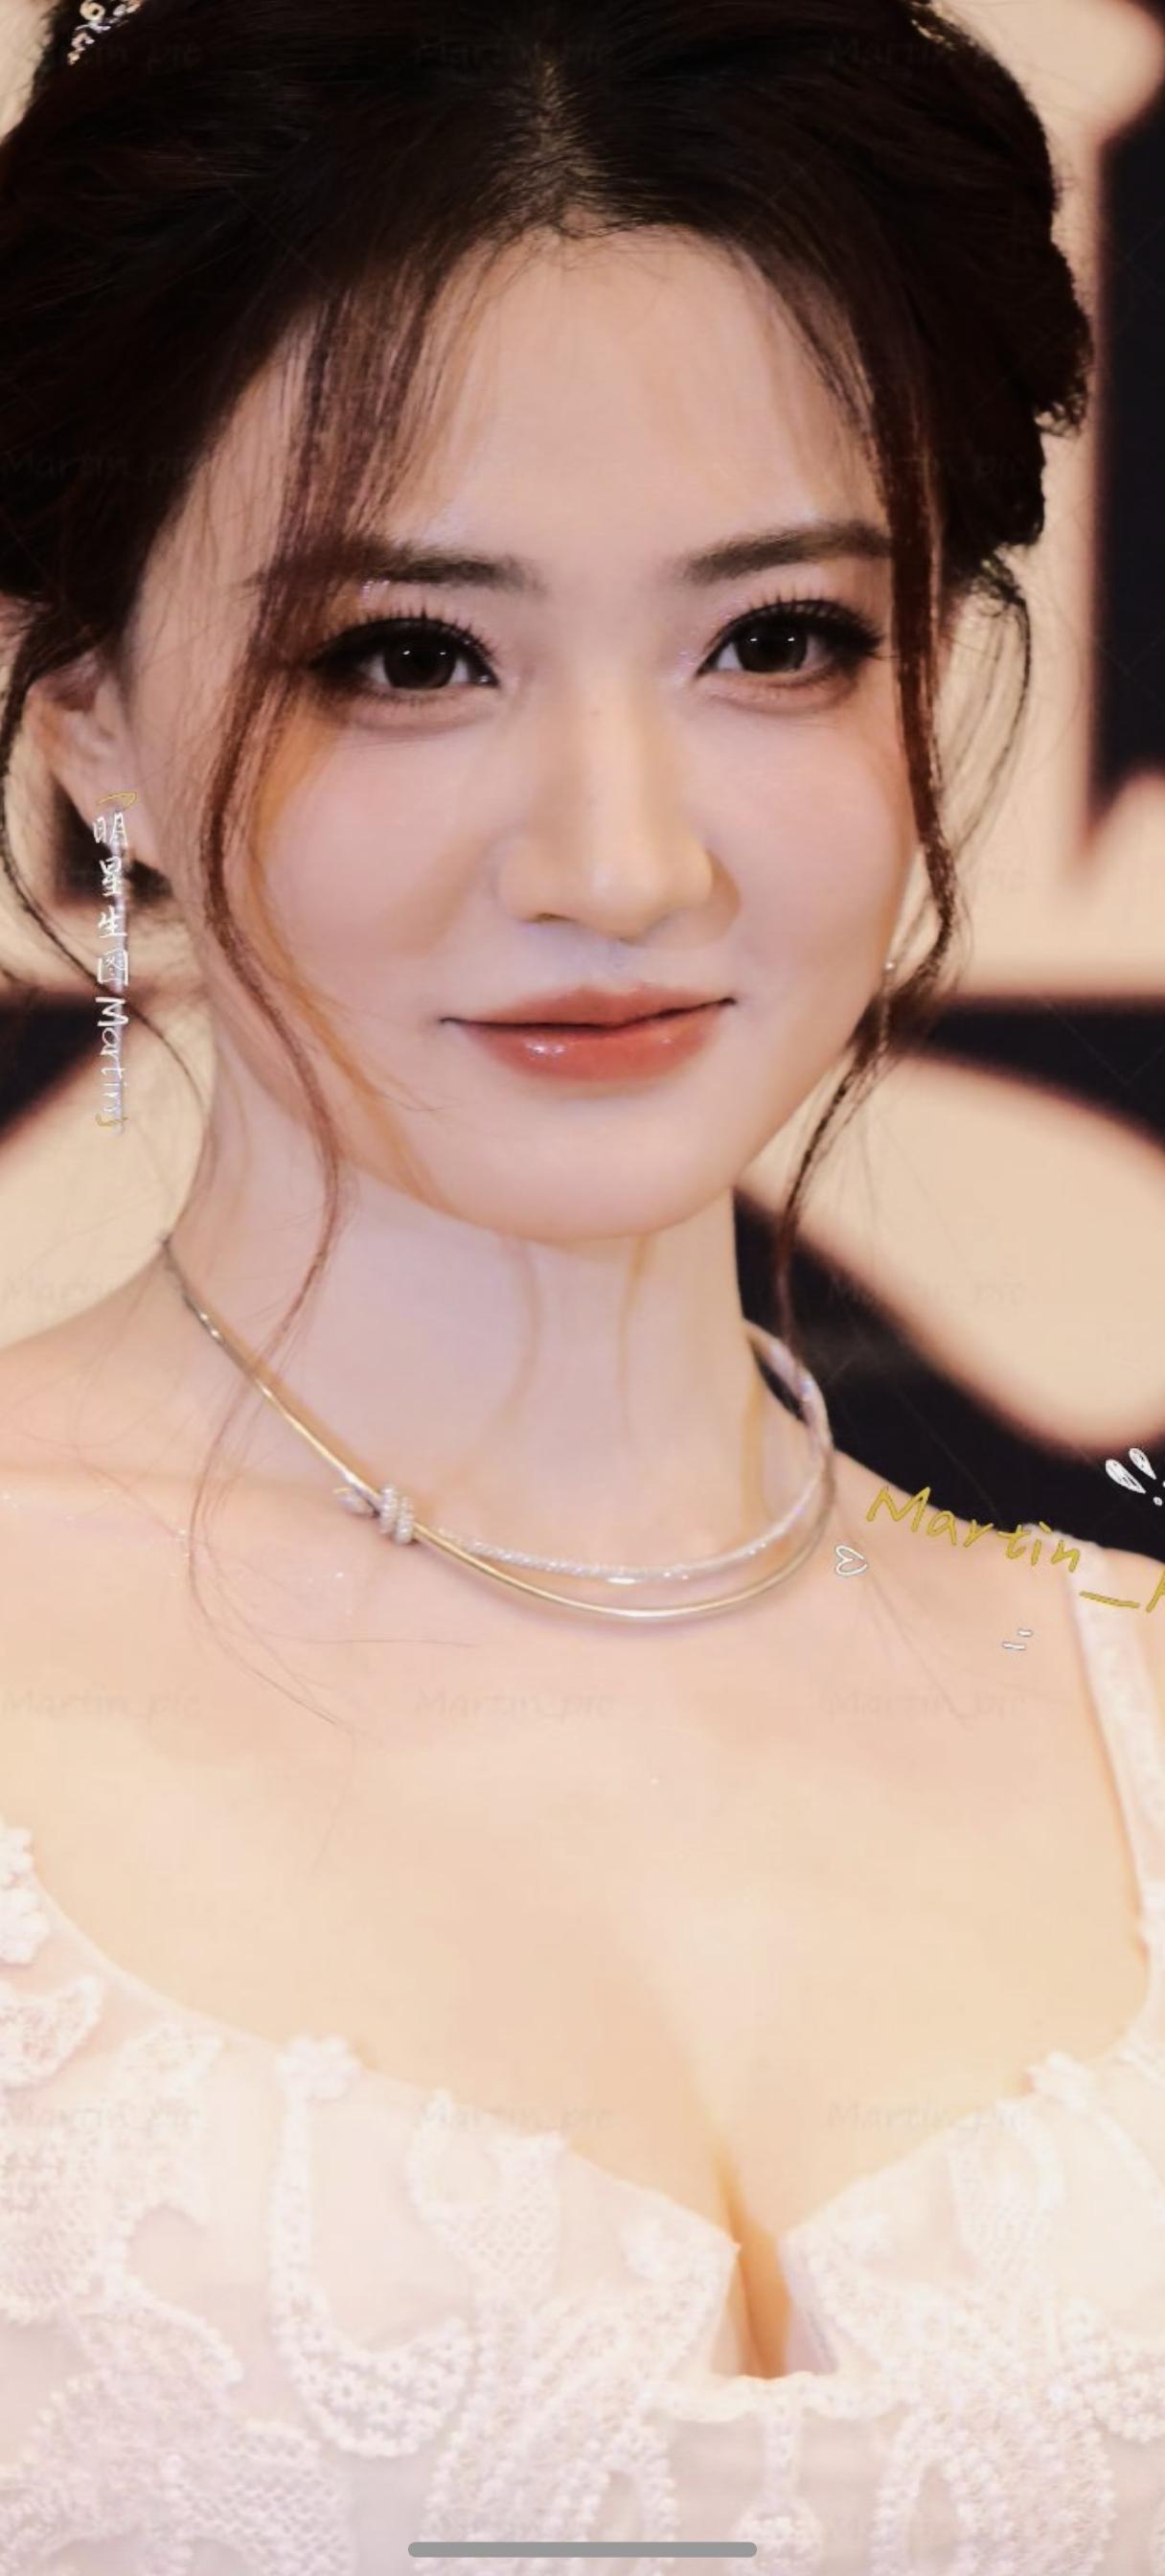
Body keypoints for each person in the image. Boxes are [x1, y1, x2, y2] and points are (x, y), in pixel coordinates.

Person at [0, 0, 1160, 2563]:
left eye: (779, 640)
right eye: (409, 656)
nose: (623, 863)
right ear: (92, 723)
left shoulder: (1136, 1714)